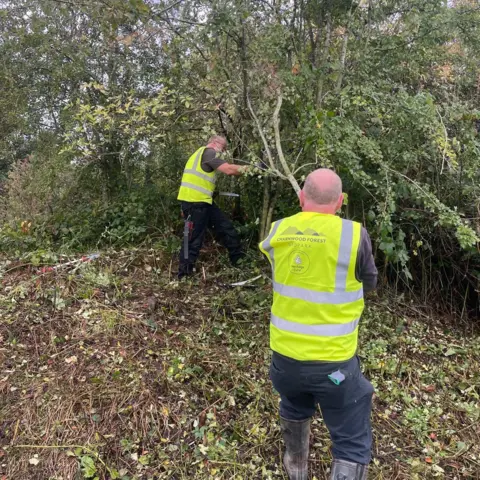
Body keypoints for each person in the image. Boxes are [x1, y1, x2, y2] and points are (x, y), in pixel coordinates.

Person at [259, 169, 378, 480]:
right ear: (340, 202)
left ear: (301, 197)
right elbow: (371, 282)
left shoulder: (278, 231)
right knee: (351, 437)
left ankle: (296, 468)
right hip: (335, 369)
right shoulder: (354, 235)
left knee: (295, 405)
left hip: (285, 363)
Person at [177, 135, 249, 278]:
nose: (222, 152)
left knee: (226, 228)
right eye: (223, 148)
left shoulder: (197, 155)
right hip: (195, 205)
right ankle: (183, 276)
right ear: (215, 143)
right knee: (192, 241)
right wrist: (253, 169)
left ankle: (239, 263)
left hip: (203, 203)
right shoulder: (209, 153)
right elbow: (229, 170)